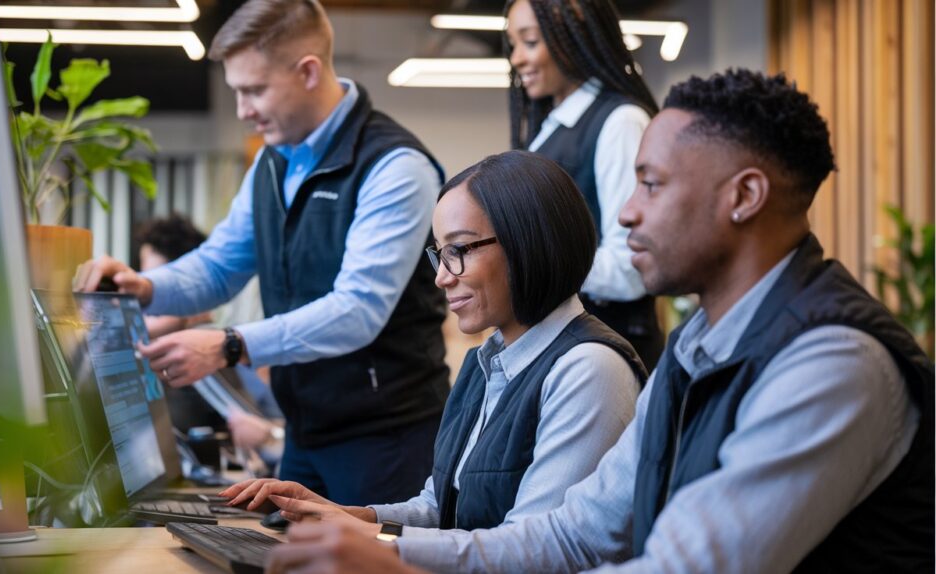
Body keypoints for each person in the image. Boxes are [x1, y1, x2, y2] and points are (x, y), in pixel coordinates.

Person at [265, 69, 934, 574]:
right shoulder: (696, 347)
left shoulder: (833, 362)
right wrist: (378, 541)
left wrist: (398, 565)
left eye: (651, 183)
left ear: (745, 197)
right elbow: (576, 532)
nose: (626, 213)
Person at [75, 0, 451, 506]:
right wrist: (146, 287)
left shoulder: (395, 168)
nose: (242, 110)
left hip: (386, 440)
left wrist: (229, 345)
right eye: (236, 91)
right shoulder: (272, 165)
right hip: (305, 433)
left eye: (254, 90)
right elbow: (221, 264)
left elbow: (358, 311)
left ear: (309, 71)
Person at [221, 151, 645, 540]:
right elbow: (439, 508)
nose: (442, 276)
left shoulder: (590, 369)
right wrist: (349, 517)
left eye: (458, 250)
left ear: (529, 242)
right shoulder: (489, 362)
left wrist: (370, 542)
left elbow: (533, 550)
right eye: (439, 254)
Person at [505, 0, 663, 369]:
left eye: (529, 42)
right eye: (512, 44)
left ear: (574, 38)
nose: (516, 59)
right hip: (566, 351)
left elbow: (630, 270)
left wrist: (528, 262)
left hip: (607, 356)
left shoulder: (620, 122)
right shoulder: (551, 126)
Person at [135, 213, 284, 456]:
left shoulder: (202, 351)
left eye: (159, 284)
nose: (144, 302)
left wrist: (270, 436)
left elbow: (263, 433)